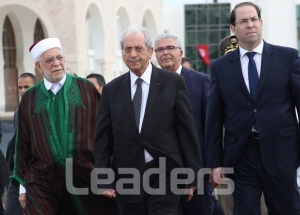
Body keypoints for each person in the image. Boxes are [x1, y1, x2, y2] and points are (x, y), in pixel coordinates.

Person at [94, 26, 201, 215]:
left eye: (138, 48)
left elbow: (186, 130)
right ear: (122, 53)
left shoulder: (172, 83)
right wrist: (103, 178)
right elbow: (103, 139)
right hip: (127, 177)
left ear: (150, 51)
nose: (133, 54)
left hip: (164, 173)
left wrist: (192, 176)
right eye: (128, 49)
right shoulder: (112, 90)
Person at [206, 2, 300, 214]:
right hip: (240, 155)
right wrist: (215, 163)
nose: (250, 25)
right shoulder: (220, 67)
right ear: (233, 28)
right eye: (243, 21)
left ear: (261, 23)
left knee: (287, 209)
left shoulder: (288, 58)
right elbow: (214, 119)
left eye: (253, 19)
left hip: (281, 152)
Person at [10, 38, 118, 214]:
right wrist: (23, 187)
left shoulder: (86, 88)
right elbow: (22, 144)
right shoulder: (30, 98)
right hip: (42, 180)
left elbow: (106, 133)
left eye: (59, 58)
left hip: (85, 176)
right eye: (49, 60)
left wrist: (108, 175)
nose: (57, 63)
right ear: (38, 66)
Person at [154, 33, 213, 215]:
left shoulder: (201, 81)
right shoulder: (149, 84)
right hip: (161, 171)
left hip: (198, 166)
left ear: (180, 52)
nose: (165, 53)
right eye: (160, 49)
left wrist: (213, 164)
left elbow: (211, 127)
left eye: (170, 48)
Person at [4, 73, 37, 215]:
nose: (23, 90)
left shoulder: (42, 109)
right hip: (19, 173)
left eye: (27, 87)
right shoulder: (18, 112)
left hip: (39, 173)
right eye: (20, 87)